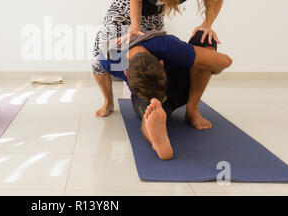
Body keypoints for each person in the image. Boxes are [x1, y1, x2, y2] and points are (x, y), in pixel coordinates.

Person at [92, 0, 224, 117]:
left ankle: (157, 96)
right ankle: (108, 102)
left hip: (153, 15)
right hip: (125, 9)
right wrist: (134, 27)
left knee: (151, 58)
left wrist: (207, 24)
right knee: (100, 58)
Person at [97, 30, 232, 160]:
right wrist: (107, 102)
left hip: (181, 87)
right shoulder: (109, 55)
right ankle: (157, 138)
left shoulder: (167, 46)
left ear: (161, 63)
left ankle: (192, 109)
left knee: (204, 38)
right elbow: (97, 71)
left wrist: (204, 62)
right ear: (126, 73)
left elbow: (225, 61)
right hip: (147, 95)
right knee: (150, 111)